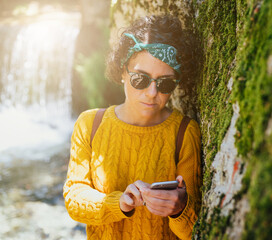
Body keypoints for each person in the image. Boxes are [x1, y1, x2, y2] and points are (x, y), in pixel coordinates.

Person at [63, 15, 202, 240]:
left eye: (165, 83)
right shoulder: (89, 124)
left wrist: (180, 209)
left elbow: (194, 232)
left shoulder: (185, 133)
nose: (152, 92)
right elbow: (73, 199)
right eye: (140, 79)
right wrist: (119, 202)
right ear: (122, 72)